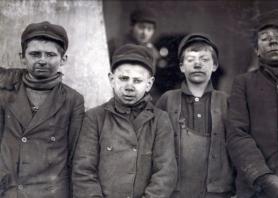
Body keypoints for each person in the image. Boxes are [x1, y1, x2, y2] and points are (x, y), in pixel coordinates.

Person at [72, 44, 177, 198]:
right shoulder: (94, 118)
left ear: (149, 84)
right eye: (123, 78)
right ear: (111, 79)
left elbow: (165, 173)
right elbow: (83, 171)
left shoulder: (160, 120)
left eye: (137, 80)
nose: (129, 86)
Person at [0, 21, 84, 197]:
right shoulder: (5, 92)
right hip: (10, 190)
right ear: (22, 57)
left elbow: (75, 155)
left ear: (63, 59)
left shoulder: (72, 100)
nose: (42, 60)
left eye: (51, 55)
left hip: (50, 192)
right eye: (35, 54)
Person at [156, 33, 235, 198]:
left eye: (205, 60)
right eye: (190, 59)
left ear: (214, 65)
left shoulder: (226, 102)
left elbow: (237, 147)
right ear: (181, 67)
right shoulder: (167, 100)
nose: (197, 64)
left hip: (217, 192)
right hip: (176, 192)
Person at [227, 10, 278, 198]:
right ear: (256, 49)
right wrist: (263, 177)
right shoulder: (243, 83)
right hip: (256, 188)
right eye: (265, 38)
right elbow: (237, 135)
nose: (273, 41)